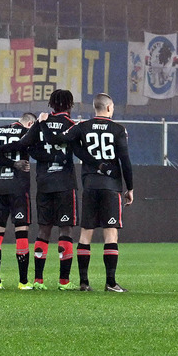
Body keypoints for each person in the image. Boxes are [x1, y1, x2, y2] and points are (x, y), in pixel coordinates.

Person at [63, 93, 135, 292]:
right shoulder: (118, 129)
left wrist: (86, 157)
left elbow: (67, 140)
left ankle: (84, 282)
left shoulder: (82, 127)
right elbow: (125, 162)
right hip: (111, 186)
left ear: (95, 108)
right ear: (110, 107)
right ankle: (110, 282)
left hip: (90, 185)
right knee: (110, 233)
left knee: (85, 234)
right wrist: (130, 188)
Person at [12, 90, 80, 289]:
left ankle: (38, 280)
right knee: (65, 229)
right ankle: (64, 281)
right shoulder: (72, 125)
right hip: (65, 183)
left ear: (51, 104)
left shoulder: (41, 123)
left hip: (44, 182)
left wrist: (37, 154)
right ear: (70, 105)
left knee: (44, 230)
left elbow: (24, 143)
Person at [0, 111, 36, 288]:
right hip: (18, 188)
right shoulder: (27, 134)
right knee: (21, 232)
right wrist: (15, 164)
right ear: (30, 124)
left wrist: (7, 163)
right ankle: (23, 282)